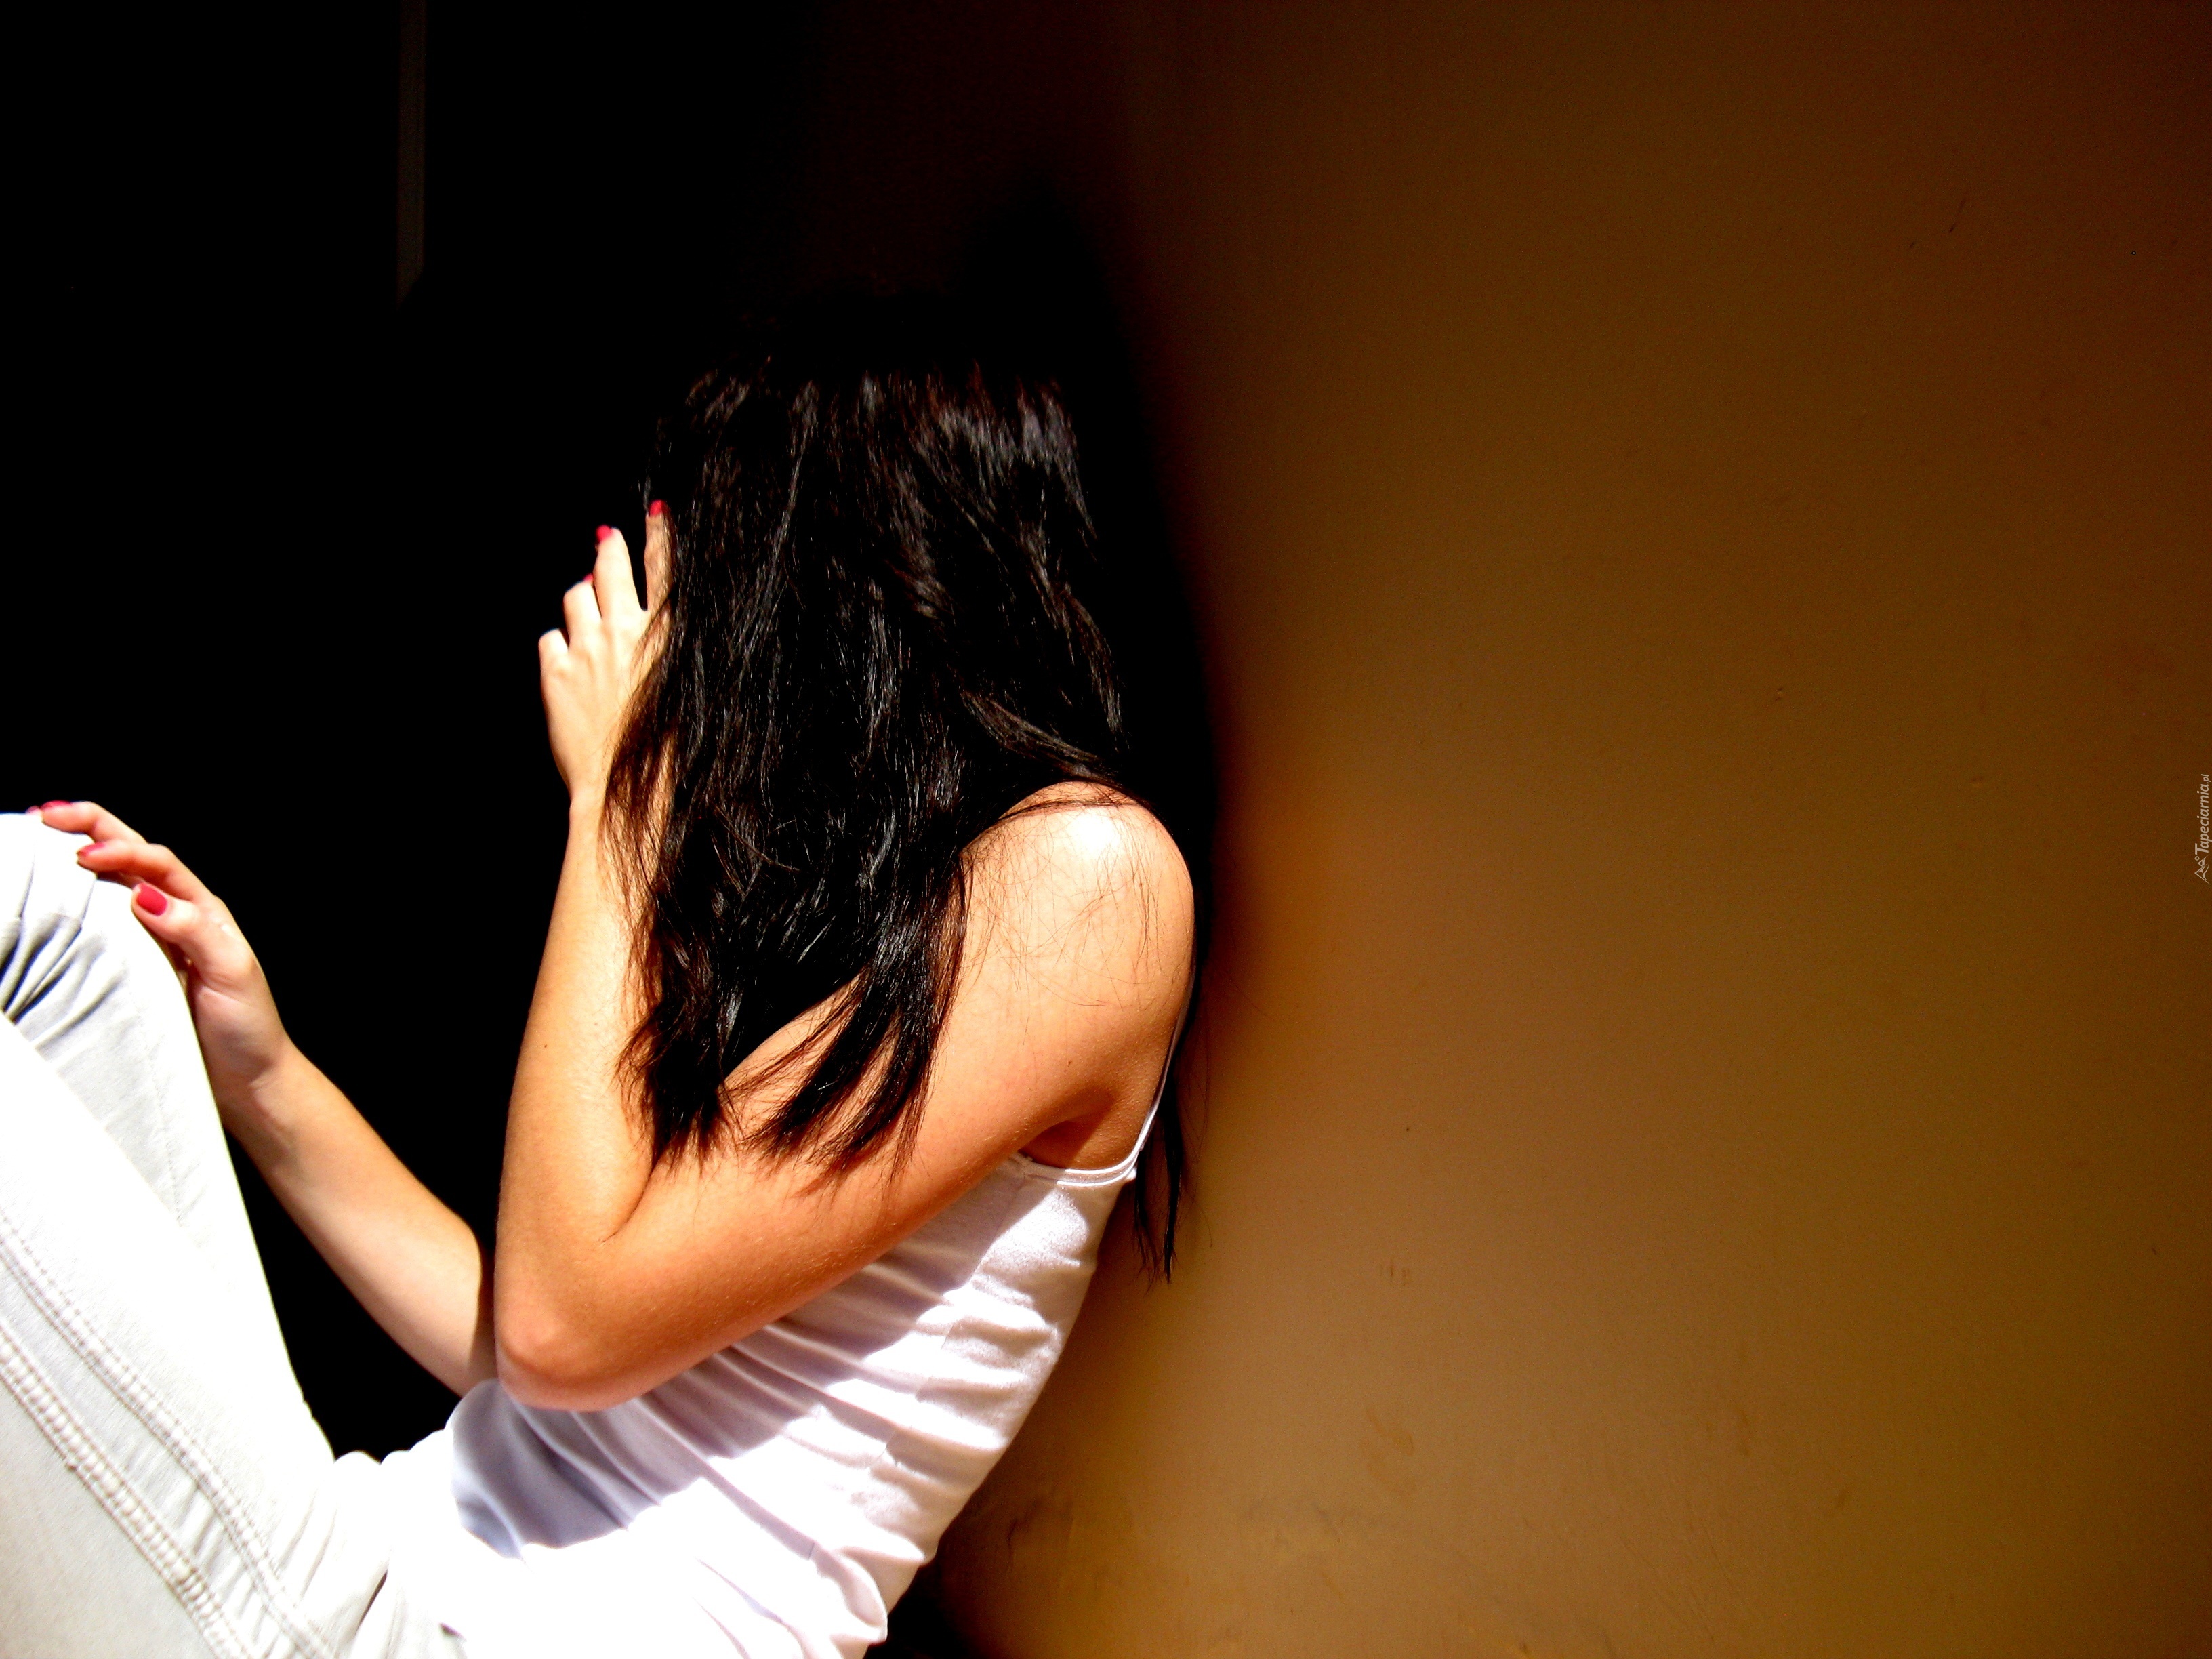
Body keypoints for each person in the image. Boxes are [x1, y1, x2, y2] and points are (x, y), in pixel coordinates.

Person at [0, 322, 1197, 1659]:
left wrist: (616, 801)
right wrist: (262, 1069)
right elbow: (529, 1362)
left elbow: (560, 1331)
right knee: (54, 916)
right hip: (376, 1562)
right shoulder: (872, 914)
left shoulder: (1097, 880)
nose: (686, 641)